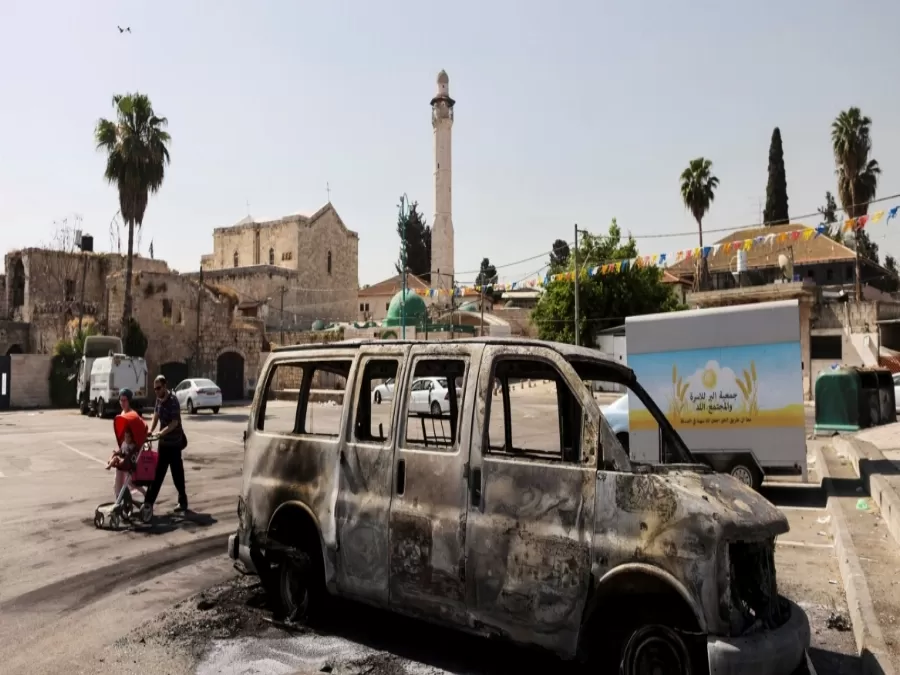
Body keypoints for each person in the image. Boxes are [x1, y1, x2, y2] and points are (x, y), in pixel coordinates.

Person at [143, 374, 188, 514]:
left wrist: (161, 433)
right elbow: (156, 415)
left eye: (158, 388)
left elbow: (174, 423)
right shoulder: (159, 399)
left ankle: (183, 501)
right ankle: (148, 504)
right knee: (157, 475)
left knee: (177, 474)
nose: (156, 391)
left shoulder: (173, 401)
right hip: (163, 443)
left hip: (174, 443)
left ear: (164, 386)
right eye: (155, 389)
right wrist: (151, 431)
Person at [110, 388, 147, 502]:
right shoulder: (122, 414)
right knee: (118, 477)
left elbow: (140, 430)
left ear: (129, 401)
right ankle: (119, 499)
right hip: (124, 450)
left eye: (124, 400)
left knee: (130, 481)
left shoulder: (132, 415)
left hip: (131, 452)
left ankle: (146, 495)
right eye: (120, 400)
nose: (122, 403)